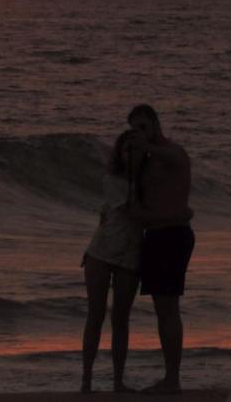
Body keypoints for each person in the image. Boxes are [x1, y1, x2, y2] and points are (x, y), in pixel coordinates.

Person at [127, 103, 194, 396]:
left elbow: (172, 157)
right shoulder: (145, 161)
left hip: (173, 235)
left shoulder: (173, 153)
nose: (138, 133)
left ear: (155, 124)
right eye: (134, 129)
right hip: (154, 235)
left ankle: (173, 379)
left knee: (169, 307)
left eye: (143, 127)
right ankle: (170, 376)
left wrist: (146, 147)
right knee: (161, 309)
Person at [80, 129, 146, 393]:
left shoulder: (147, 181)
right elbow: (135, 212)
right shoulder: (113, 179)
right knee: (95, 315)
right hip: (101, 252)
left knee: (121, 319)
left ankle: (118, 381)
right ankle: (87, 380)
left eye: (136, 149)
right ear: (120, 153)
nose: (131, 154)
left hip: (130, 255)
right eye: (127, 149)